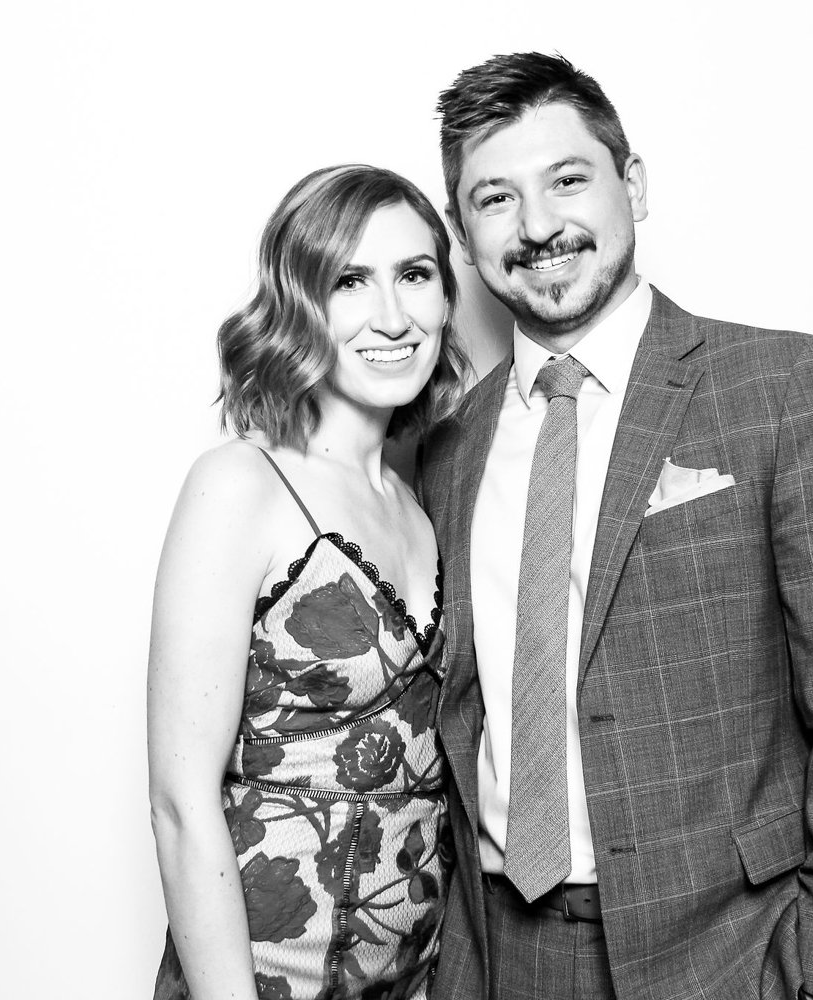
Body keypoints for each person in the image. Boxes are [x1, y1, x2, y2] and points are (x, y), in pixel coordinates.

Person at [419, 53, 813, 1000]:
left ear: (633, 185)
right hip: (498, 957)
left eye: (567, 180)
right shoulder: (446, 448)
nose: (537, 227)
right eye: (495, 199)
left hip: (729, 957)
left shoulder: (782, 388)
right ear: (463, 234)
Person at [148, 164, 470, 1000]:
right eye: (349, 281)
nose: (392, 316)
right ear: (299, 304)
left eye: (414, 275)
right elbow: (181, 804)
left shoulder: (425, 499)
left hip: (412, 979)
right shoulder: (241, 485)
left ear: (446, 297)